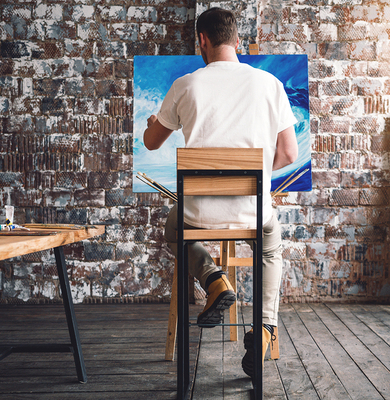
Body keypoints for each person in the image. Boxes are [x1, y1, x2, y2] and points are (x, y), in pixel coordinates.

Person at [143, 7, 298, 378]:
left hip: (197, 213)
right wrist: (254, 173)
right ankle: (264, 328)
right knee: (270, 242)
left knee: (171, 226)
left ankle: (214, 279)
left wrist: (154, 122)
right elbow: (290, 153)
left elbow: (150, 143)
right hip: (252, 209)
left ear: (202, 41)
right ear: (237, 41)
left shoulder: (186, 84)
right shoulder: (269, 85)